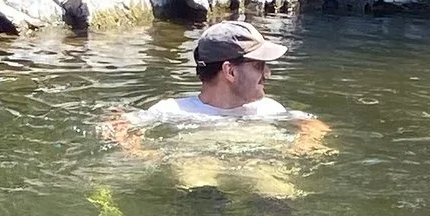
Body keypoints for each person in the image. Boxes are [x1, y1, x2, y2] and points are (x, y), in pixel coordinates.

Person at [107, 22, 330, 152]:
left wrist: (302, 147)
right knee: (196, 172)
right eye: (259, 65)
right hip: (198, 170)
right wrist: (142, 154)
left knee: (276, 187)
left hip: (257, 167)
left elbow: (313, 124)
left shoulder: (269, 108)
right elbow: (116, 123)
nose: (267, 74)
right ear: (230, 72)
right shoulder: (173, 110)